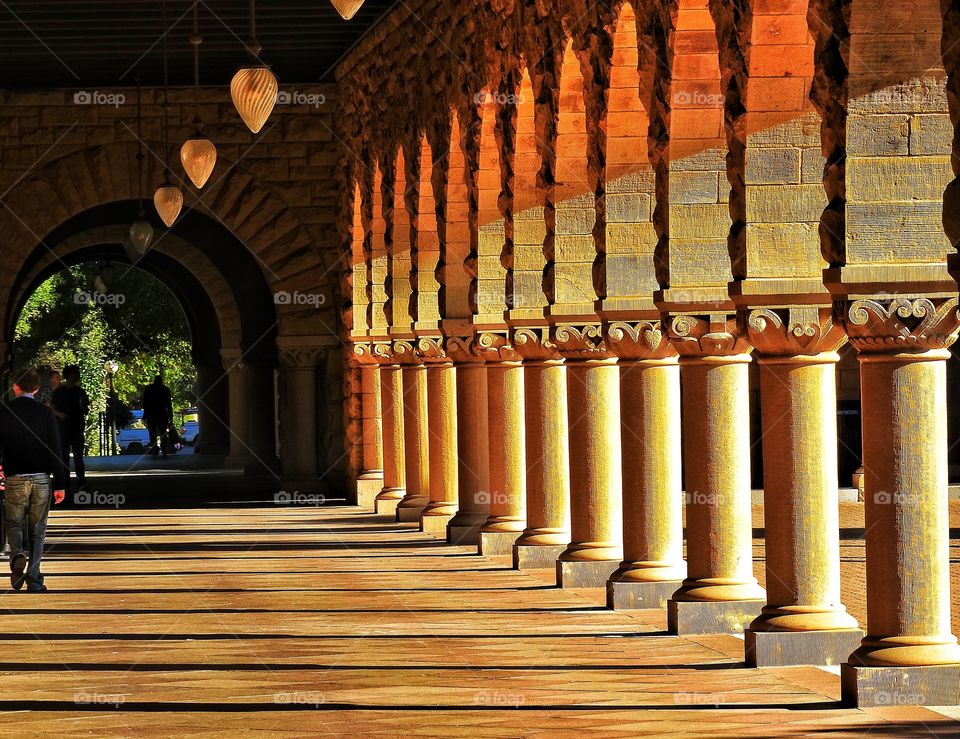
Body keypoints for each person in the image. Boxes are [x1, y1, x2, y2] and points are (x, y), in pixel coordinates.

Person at [0, 368, 67, 591]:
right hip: (40, 477)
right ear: (37, 389)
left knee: (14, 523)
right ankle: (35, 578)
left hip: (14, 476)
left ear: (15, 387)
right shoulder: (45, 414)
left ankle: (17, 554)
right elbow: (55, 449)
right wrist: (60, 483)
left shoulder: (4, 411)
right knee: (38, 530)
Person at [51, 364, 89, 491]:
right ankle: (68, 481)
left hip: (75, 427)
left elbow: (85, 409)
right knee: (66, 456)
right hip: (66, 427)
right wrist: (61, 415)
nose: (77, 376)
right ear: (70, 375)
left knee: (76, 456)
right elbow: (52, 408)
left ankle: (79, 480)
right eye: (75, 373)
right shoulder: (60, 391)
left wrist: (83, 407)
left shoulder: (79, 391)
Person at [142, 375, 173, 457]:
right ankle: (163, 449)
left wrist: (145, 415)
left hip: (151, 414)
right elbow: (169, 405)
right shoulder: (165, 389)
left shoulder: (149, 389)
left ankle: (155, 449)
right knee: (163, 433)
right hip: (162, 414)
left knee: (152, 433)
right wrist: (170, 416)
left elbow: (145, 403)